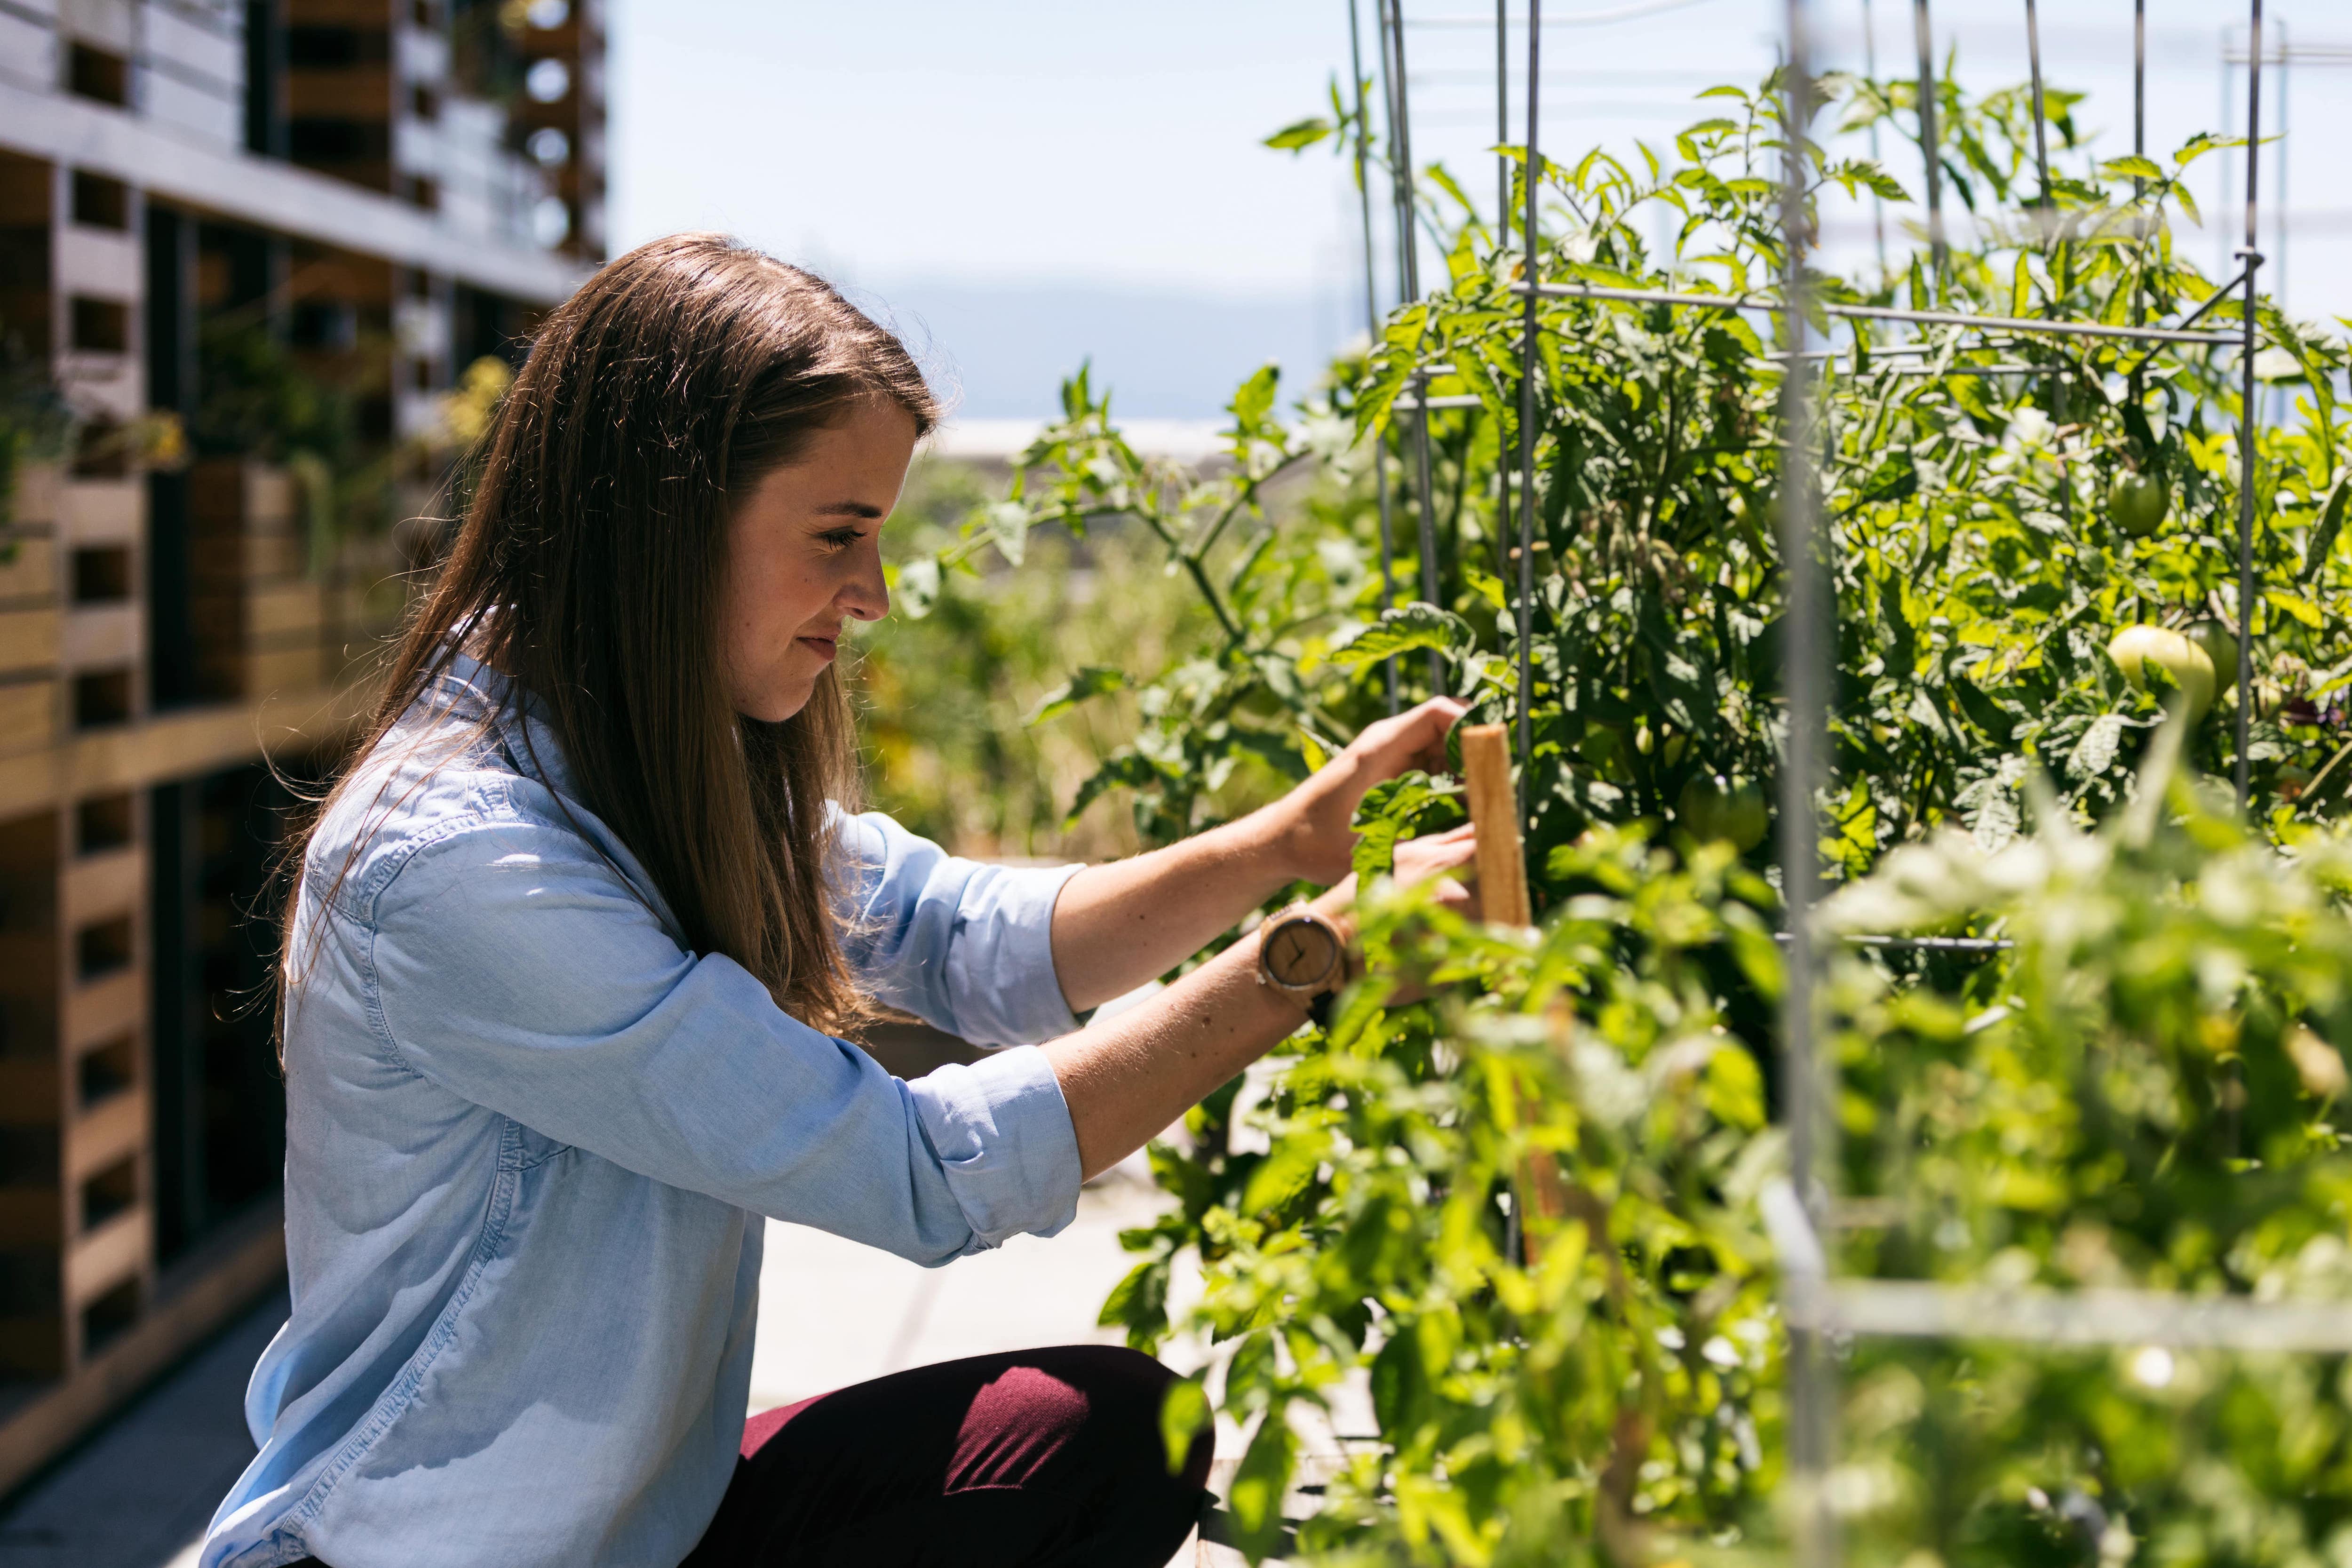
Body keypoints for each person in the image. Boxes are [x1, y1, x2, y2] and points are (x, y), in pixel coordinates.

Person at [199, 234, 1478, 1568]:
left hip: (639, 1521)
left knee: (1092, 1437)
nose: (866, 598)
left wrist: (1281, 846)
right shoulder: (463, 863)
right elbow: (918, 1175)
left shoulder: (635, 746)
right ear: (669, 522)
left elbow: (959, 936)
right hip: (425, 1551)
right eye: (835, 538)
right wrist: (1308, 964)